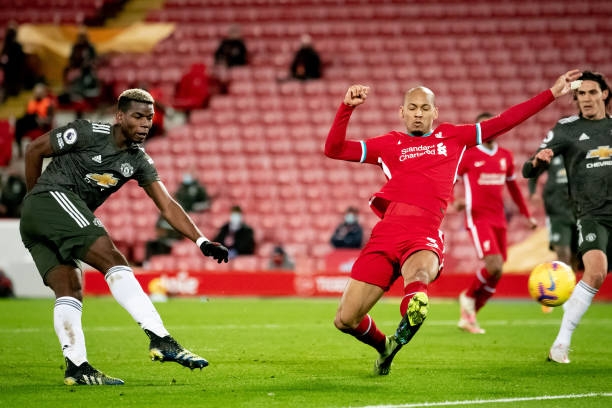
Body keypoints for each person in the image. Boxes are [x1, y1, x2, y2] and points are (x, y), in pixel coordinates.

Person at [324, 69, 582, 375]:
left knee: (418, 276)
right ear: (401, 113)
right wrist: (346, 108)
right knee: (345, 319)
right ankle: (386, 346)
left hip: (423, 235)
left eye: (424, 108)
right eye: (412, 108)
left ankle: (415, 306)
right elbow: (334, 149)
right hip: (386, 234)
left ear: (435, 112)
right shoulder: (388, 144)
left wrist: (551, 93)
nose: (418, 114)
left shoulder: (453, 137)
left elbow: (504, 121)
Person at [19, 88, 229, 385]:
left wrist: (201, 240)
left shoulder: (139, 160)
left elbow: (167, 205)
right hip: (49, 200)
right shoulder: (88, 132)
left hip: (43, 219)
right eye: (138, 116)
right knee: (113, 258)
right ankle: (161, 339)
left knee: (69, 287)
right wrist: (35, 198)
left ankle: (77, 367)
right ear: (119, 116)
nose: (145, 123)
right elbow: (34, 149)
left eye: (150, 118)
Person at [522, 70, 611, 364]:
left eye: (592, 92)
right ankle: (561, 344)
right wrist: (537, 161)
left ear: (605, 95)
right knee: (595, 272)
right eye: (581, 94)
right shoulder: (566, 129)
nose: (586, 99)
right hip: (591, 214)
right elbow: (528, 170)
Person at [454, 112, 537, 334]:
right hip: (477, 217)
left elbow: (514, 189)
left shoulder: (505, 156)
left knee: (498, 271)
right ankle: (468, 298)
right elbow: (449, 179)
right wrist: (455, 202)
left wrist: (527, 215)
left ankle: (470, 315)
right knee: (494, 265)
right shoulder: (469, 155)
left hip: (499, 219)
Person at [144, 173, 211, 264]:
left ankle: (161, 264)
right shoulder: (163, 212)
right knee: (151, 244)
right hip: (163, 237)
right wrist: (160, 232)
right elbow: (158, 226)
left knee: (162, 247)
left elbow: (182, 227)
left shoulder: (180, 212)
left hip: (174, 236)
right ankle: (147, 265)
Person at [527, 155, 578, 269]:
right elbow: (534, 169)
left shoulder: (579, 150)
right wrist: (532, 192)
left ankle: (573, 284)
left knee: (577, 256)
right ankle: (564, 284)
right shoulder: (553, 151)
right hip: (557, 212)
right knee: (563, 254)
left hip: (578, 211)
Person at [14, 83, 55, 157]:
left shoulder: (48, 104)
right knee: (19, 122)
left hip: (40, 124)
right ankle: (19, 148)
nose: (37, 94)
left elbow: (50, 120)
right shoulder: (31, 102)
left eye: (39, 92)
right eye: (36, 92)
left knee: (30, 118)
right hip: (30, 123)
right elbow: (26, 116)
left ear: (43, 93)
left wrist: (41, 119)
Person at [0, 22, 26, 101]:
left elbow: (22, 62)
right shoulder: (5, 47)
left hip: (16, 76)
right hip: (8, 76)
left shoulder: (18, 47)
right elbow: (2, 61)